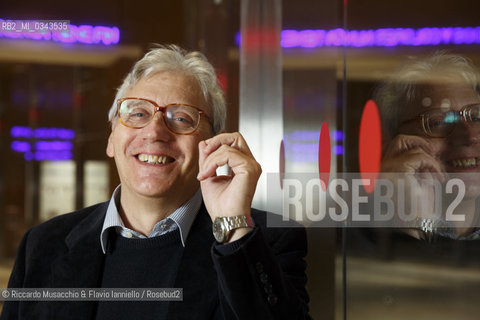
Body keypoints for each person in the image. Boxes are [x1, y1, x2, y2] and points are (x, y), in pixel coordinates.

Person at [1, 45, 310, 319]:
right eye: (137, 113)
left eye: (182, 118)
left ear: (213, 145)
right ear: (112, 138)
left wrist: (233, 227)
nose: (155, 132)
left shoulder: (265, 242)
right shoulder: (43, 245)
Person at [375, 52, 480, 240]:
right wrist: (411, 221)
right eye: (438, 122)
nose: (470, 135)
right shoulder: (347, 237)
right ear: (396, 141)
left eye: (476, 117)